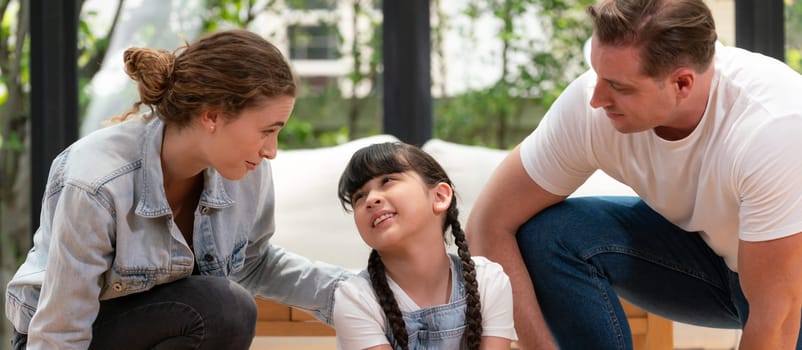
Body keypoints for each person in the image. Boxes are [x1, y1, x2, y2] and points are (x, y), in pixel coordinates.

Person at [466, 0, 802, 349]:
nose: (597, 98)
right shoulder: (590, 107)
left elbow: (776, 317)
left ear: (682, 84)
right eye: (597, 73)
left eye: (619, 87)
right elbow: (488, 224)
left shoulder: (773, 126)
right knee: (548, 236)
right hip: (717, 264)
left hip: (792, 284)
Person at [5, 29, 350, 350]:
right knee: (224, 308)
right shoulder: (97, 182)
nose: (271, 149)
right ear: (211, 116)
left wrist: (353, 292)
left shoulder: (247, 172)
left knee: (223, 307)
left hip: (157, 327)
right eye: (267, 131)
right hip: (63, 338)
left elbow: (254, 263)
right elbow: (60, 331)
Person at [333, 142, 517, 349]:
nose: (371, 199)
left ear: (439, 197)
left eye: (387, 181)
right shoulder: (356, 298)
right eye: (359, 196)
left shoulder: (488, 280)